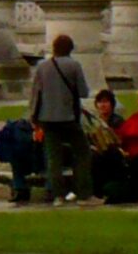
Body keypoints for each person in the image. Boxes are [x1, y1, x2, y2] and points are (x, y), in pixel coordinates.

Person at [25, 33, 90, 203]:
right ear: (70, 49)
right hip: (68, 117)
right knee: (82, 152)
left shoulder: (42, 67)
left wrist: (33, 116)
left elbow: (35, 94)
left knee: (53, 158)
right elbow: (83, 92)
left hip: (47, 117)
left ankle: (58, 196)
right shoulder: (74, 65)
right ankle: (83, 193)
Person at [85, 88, 128, 201]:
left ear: (111, 104)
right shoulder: (93, 122)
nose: (102, 105)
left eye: (105, 102)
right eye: (100, 102)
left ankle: (98, 192)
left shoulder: (118, 121)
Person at [0, 113, 42, 203]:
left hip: (30, 155)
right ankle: (20, 188)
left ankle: (20, 189)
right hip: (30, 155)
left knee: (16, 157)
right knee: (17, 157)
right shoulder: (20, 129)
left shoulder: (18, 128)